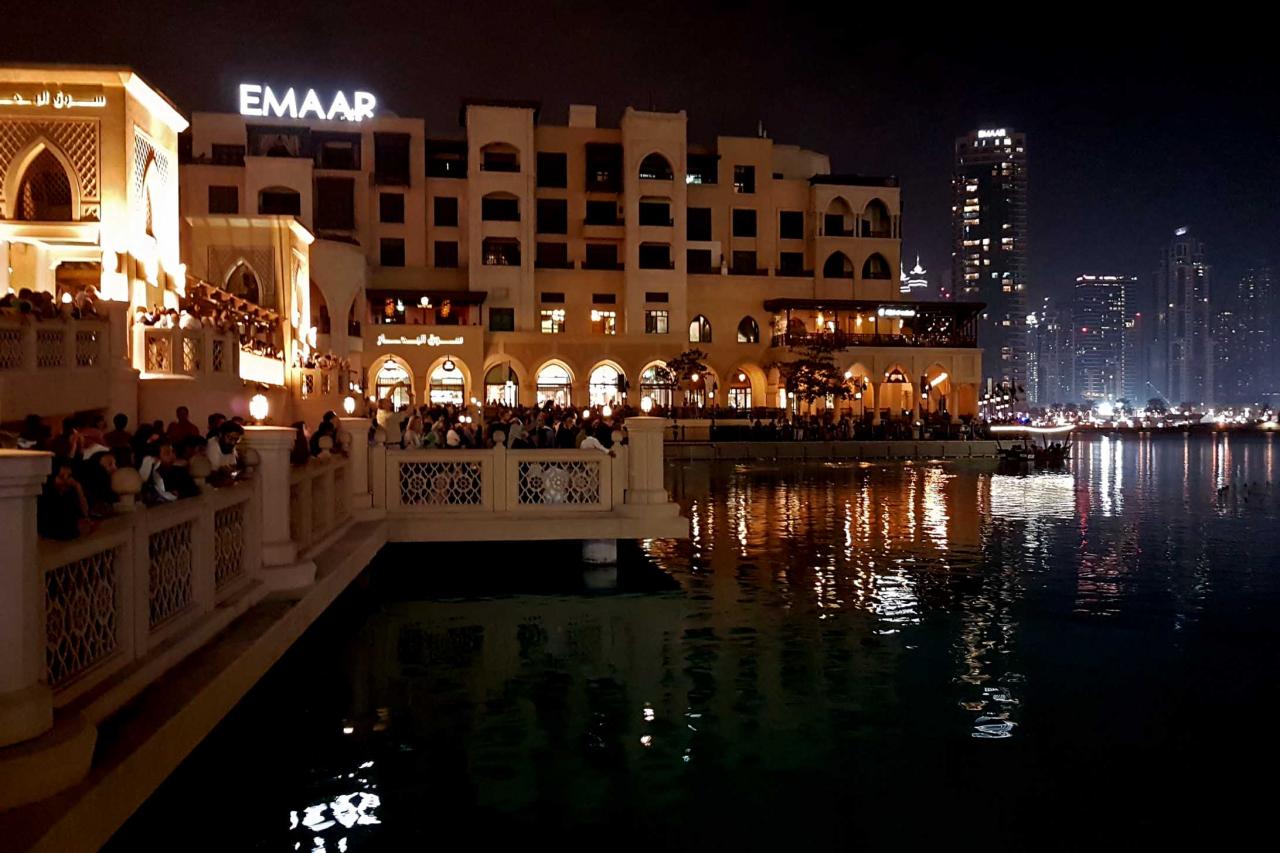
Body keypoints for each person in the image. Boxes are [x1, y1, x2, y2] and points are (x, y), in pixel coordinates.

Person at [37, 458, 93, 540]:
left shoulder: (69, 493)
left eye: (69, 476)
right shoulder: (45, 497)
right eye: (61, 476)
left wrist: (78, 489)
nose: (67, 480)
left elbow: (84, 512)